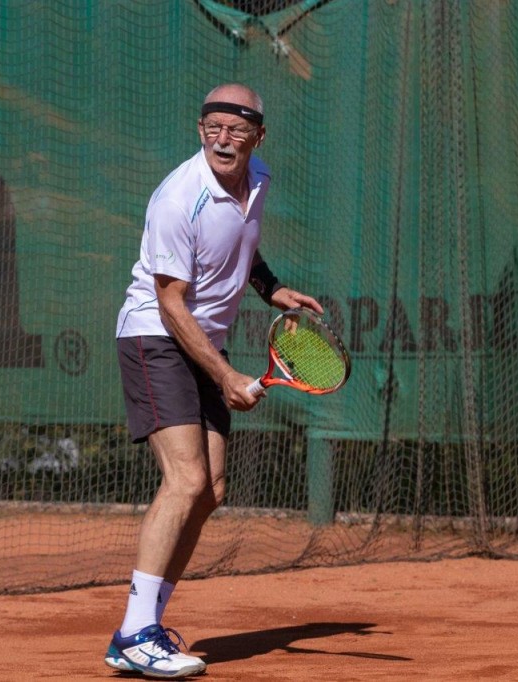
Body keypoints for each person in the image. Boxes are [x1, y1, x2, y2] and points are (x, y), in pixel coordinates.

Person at [106, 83, 322, 678]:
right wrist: (224, 374)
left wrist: (271, 288)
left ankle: (142, 627)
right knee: (186, 479)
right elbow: (170, 301)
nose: (222, 140)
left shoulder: (258, 180)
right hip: (156, 335)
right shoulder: (179, 198)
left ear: (258, 136)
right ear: (200, 130)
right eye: (213, 128)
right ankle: (136, 634)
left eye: (236, 130)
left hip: (204, 341)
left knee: (210, 491)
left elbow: (240, 248)